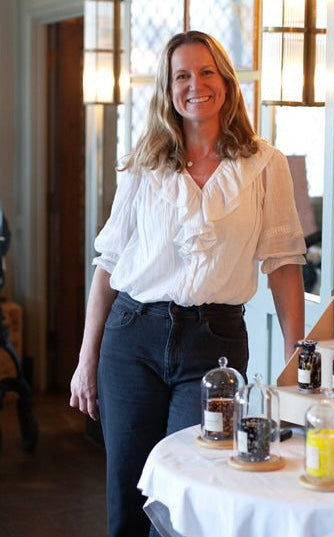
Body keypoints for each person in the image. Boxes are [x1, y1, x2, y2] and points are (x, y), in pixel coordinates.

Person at [69, 30, 306, 537]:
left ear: (226, 82)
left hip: (214, 344)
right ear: (168, 88)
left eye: (206, 72)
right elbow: (108, 265)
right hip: (132, 338)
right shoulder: (143, 163)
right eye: (182, 76)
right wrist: (86, 360)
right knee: (128, 496)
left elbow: (285, 263)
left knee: (192, 496)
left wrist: (295, 359)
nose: (195, 85)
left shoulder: (265, 165)